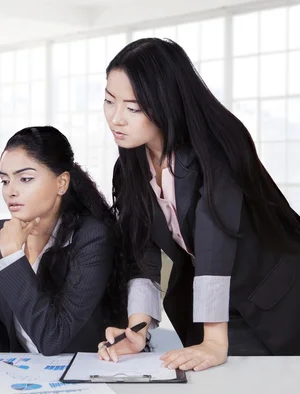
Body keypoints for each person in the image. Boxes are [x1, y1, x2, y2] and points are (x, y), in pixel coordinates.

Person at [99, 38, 300, 371]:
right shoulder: (130, 166)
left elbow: (214, 241)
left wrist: (215, 341)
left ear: (165, 103)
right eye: (109, 101)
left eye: (133, 107)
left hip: (275, 295)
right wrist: (138, 329)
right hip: (211, 304)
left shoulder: (217, 145)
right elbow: (141, 251)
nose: (116, 118)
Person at [0, 126, 126, 358]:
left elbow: (52, 339)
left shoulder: (91, 238)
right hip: (24, 379)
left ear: (61, 183)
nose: (11, 191)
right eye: (5, 181)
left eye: (25, 179)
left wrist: (12, 257)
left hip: (81, 377)